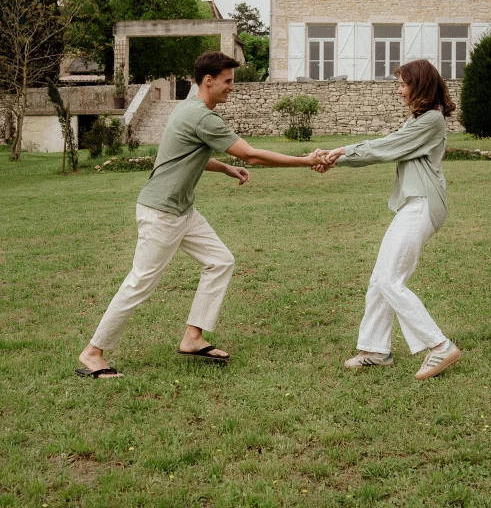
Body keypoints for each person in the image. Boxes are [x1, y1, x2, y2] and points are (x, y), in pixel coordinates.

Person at [77, 51, 326, 379]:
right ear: (208, 81)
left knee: (220, 260)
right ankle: (93, 353)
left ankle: (193, 338)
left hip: (182, 210)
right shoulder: (203, 116)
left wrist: (223, 167)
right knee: (139, 283)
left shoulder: (188, 109)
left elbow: (182, 155)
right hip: (162, 213)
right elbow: (252, 155)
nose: (231, 88)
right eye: (228, 82)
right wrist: (306, 160)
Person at [315, 59, 461, 380]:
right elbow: (386, 148)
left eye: (402, 84)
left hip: (422, 205)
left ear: (419, 86)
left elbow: (387, 148)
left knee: (390, 280)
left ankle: (438, 345)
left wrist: (340, 151)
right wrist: (340, 158)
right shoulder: (419, 119)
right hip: (411, 206)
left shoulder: (431, 121)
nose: (398, 91)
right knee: (380, 277)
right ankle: (376, 350)